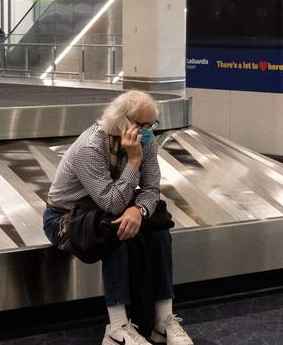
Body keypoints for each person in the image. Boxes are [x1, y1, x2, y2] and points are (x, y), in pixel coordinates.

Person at [44, 90, 194, 345]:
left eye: (151, 125)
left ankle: (163, 320)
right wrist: (134, 159)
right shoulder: (91, 147)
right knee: (115, 228)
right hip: (67, 219)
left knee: (158, 223)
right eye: (140, 125)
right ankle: (117, 326)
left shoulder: (147, 141)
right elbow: (112, 204)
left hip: (109, 209)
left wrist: (140, 210)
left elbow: (151, 190)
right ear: (121, 121)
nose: (147, 132)